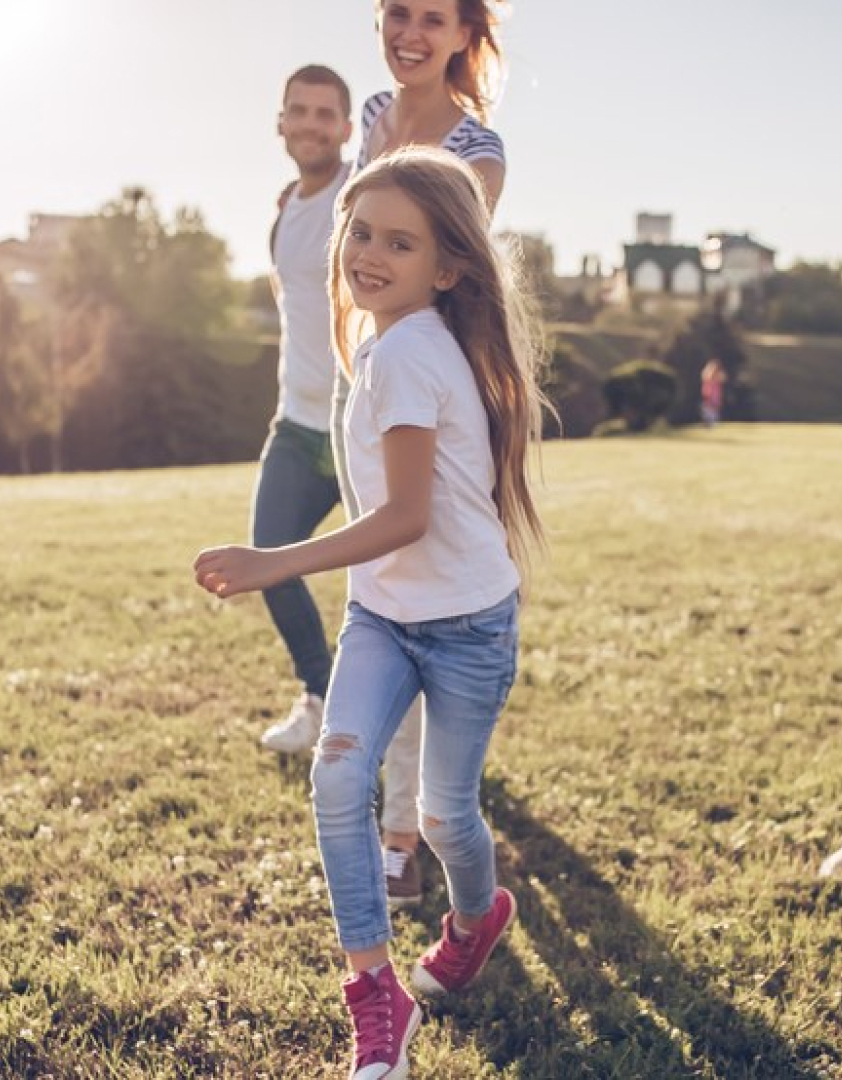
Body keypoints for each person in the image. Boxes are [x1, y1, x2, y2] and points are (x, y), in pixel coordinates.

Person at [195, 146, 546, 1080]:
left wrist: (274, 562)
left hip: (470, 626)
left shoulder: (411, 350)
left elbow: (404, 518)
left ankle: (477, 920)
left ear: (449, 267)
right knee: (341, 780)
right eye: (361, 232)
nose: (370, 253)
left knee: (443, 818)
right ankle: (375, 992)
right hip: (384, 621)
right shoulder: (383, 339)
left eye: (401, 241)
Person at [342, 0, 512, 911]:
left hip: (430, 386)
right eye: (396, 12)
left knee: (413, 581)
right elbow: (365, 243)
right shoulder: (374, 113)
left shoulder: (477, 149)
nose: (410, 32)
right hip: (363, 368)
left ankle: (404, 835)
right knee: (382, 589)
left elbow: (438, 265)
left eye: (432, 18)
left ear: (464, 35)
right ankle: (413, 814)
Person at [249, 65, 355, 757]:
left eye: (326, 114)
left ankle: (400, 726)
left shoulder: (361, 192)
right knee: (268, 557)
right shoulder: (285, 210)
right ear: (280, 123)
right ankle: (322, 699)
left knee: (391, 586)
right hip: (295, 423)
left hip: (360, 425)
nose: (312, 124)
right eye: (300, 112)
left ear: (347, 129)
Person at [699, 359, 726, 427]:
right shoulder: (708, 378)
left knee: (714, 410)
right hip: (710, 395)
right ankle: (708, 422)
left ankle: (711, 423)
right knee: (709, 410)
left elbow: (723, 378)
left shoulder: (717, 379)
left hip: (714, 396)